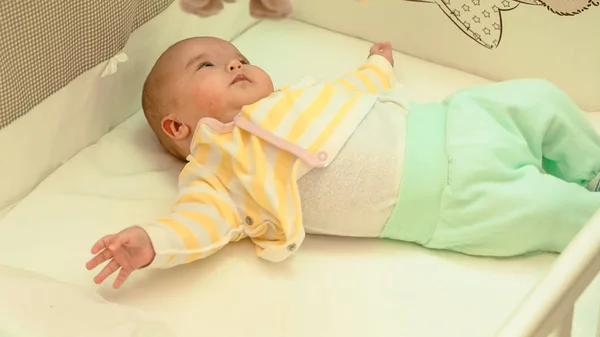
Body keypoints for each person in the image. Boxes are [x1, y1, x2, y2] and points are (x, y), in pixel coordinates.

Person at [86, 37, 600, 289]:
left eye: (238, 55)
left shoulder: (295, 96)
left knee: (538, 99)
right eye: (210, 66)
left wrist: (377, 66)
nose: (235, 63)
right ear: (178, 127)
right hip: (451, 202)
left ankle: (593, 164)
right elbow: (196, 223)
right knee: (552, 211)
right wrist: (154, 242)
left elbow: (351, 92)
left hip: (457, 121)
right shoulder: (218, 174)